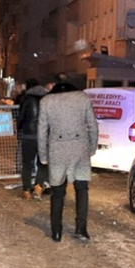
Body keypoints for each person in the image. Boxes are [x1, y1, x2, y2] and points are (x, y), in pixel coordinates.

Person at [38, 78, 99, 242]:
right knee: (82, 188)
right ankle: (81, 228)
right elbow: (93, 125)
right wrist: (92, 148)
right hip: (80, 148)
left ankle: (56, 231)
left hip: (57, 149)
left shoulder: (47, 101)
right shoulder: (83, 98)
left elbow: (42, 130)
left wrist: (43, 155)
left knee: (57, 192)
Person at [16, 78, 50, 200]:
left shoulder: (26, 99)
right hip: (44, 137)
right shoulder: (47, 99)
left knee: (27, 164)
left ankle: (26, 190)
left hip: (29, 136)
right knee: (42, 163)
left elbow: (21, 118)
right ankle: (38, 187)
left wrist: (19, 129)